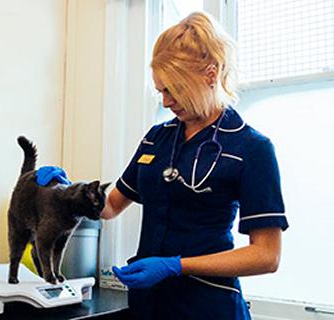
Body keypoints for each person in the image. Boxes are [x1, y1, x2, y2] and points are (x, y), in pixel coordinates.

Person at [101, 12, 288, 320]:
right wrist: (66, 194)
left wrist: (176, 265)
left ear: (210, 74)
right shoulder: (157, 139)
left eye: (173, 89)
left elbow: (267, 255)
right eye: (160, 90)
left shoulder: (251, 148)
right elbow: (110, 206)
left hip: (207, 305)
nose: (165, 102)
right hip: (149, 305)